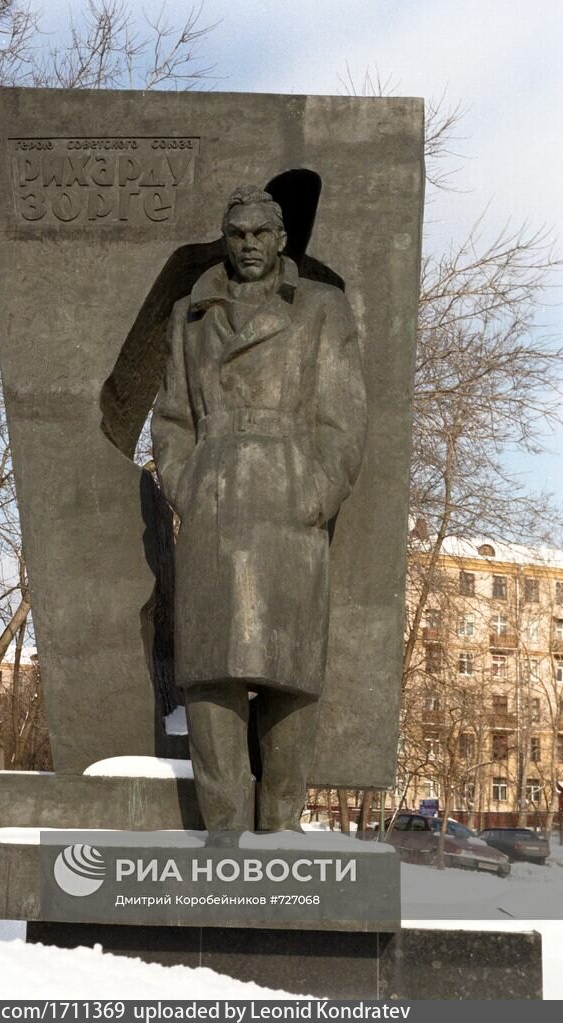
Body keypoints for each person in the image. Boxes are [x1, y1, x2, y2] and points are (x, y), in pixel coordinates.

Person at [151, 185, 367, 833]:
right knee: (210, 668)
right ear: (226, 239)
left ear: (281, 239)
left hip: (289, 502)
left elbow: (344, 418)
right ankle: (223, 830)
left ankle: (281, 830)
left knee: (288, 670)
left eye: (260, 233)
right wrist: (189, 483)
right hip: (214, 503)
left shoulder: (321, 308)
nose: (248, 244)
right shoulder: (191, 315)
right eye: (237, 233)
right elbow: (172, 418)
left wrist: (317, 491)